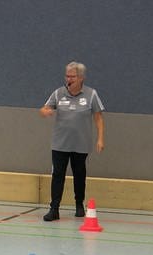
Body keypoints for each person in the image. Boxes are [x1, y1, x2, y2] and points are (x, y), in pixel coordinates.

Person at [39, 61, 105, 221]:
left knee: (79, 174)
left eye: (72, 76)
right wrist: (45, 112)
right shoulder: (58, 93)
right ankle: (54, 209)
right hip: (60, 144)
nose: (69, 79)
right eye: (67, 76)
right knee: (57, 175)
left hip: (81, 144)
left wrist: (100, 138)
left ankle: (79, 205)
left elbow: (98, 117)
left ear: (81, 78)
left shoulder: (91, 94)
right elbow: (43, 109)